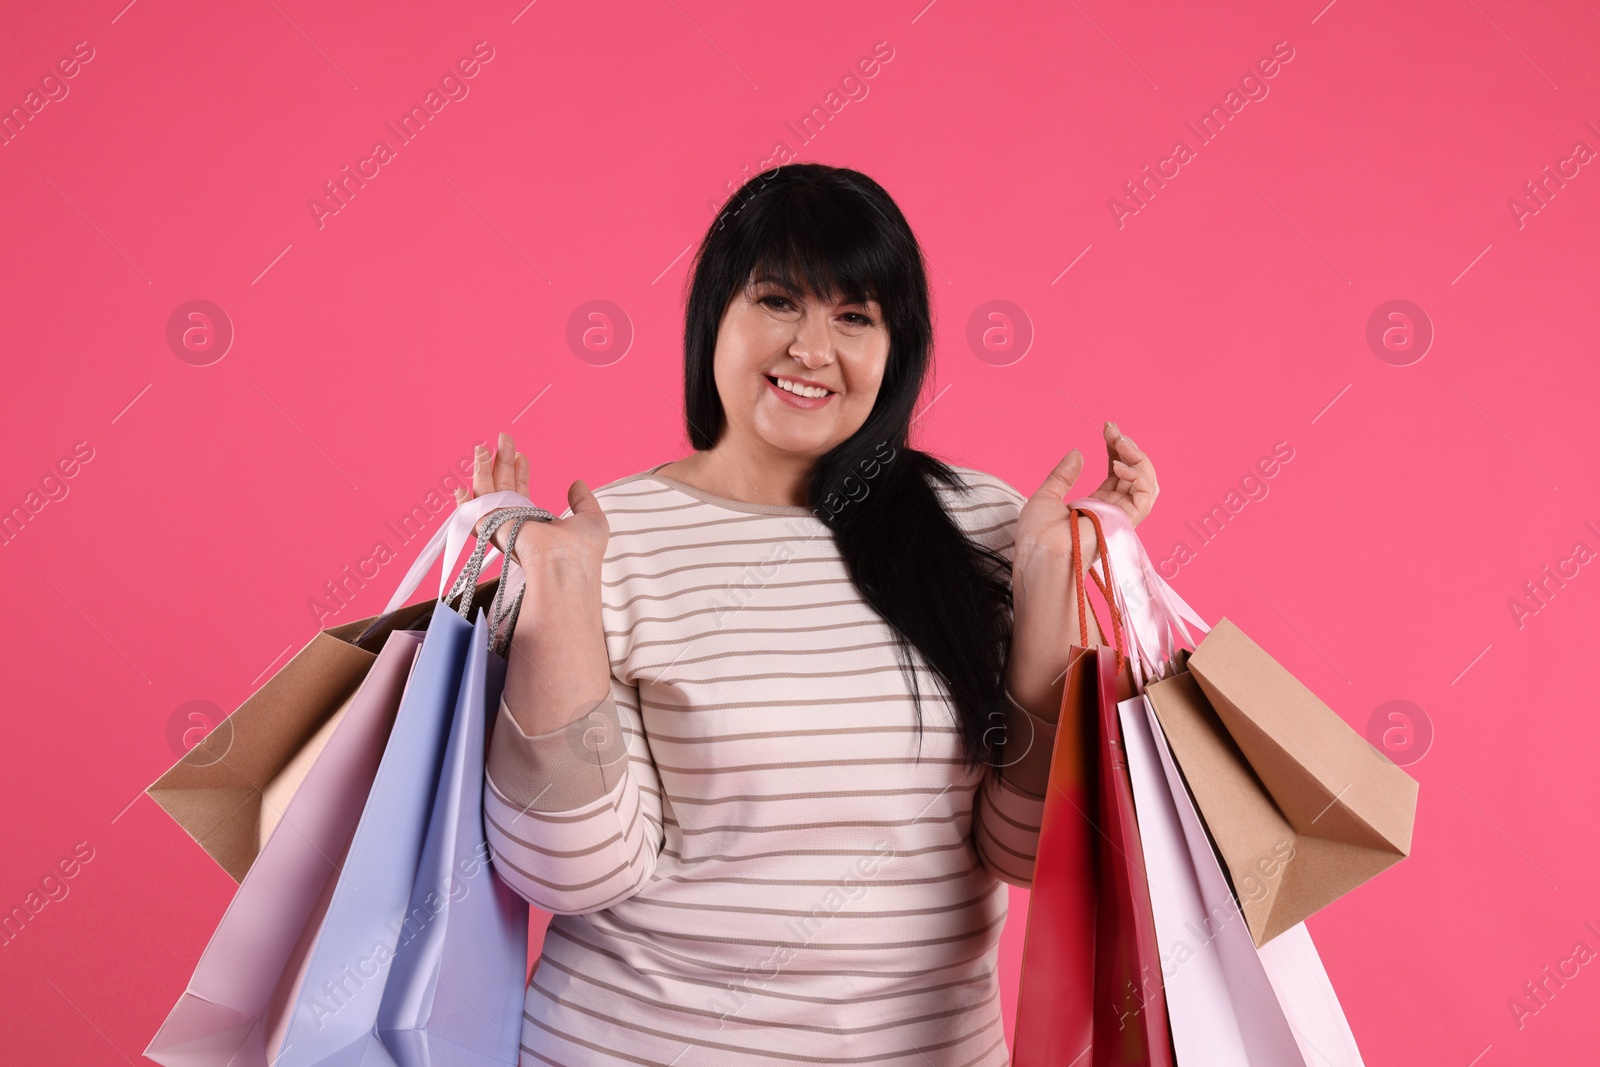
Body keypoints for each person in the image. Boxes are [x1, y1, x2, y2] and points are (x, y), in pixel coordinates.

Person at [454, 163, 1158, 1065]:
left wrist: (1056, 579)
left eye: (854, 316)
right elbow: (569, 870)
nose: (811, 348)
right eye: (779, 301)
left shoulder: (981, 524)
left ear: (895, 348)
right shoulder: (605, 540)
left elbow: (1028, 852)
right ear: (714, 317)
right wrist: (553, 596)